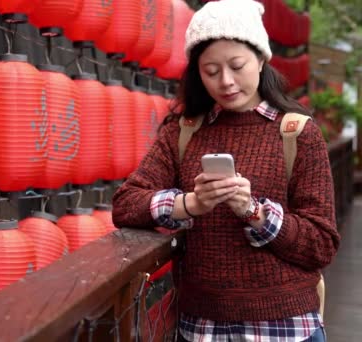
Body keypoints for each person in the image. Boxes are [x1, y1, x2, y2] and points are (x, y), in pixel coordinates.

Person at [112, 0, 341, 341]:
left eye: (237, 66)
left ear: (261, 60)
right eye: (211, 71)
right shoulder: (184, 131)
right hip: (202, 327)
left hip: (285, 328)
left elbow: (321, 244)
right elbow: (125, 204)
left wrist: (254, 211)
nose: (226, 82)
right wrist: (190, 204)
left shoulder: (297, 132)